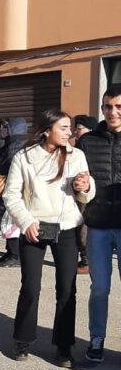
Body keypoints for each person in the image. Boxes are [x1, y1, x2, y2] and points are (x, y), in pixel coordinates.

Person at [3, 110, 94, 368]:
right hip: (35, 227)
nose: (69, 132)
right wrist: (26, 221)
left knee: (67, 289)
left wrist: (85, 187)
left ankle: (64, 346)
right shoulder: (24, 157)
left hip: (67, 228)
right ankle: (22, 340)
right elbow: (11, 195)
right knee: (30, 287)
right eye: (63, 128)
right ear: (46, 130)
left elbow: (87, 191)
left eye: (70, 128)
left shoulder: (77, 156)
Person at [77, 87, 121, 363]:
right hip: (98, 225)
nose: (113, 112)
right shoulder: (88, 141)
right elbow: (76, 175)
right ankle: (96, 338)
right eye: (108, 107)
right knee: (100, 287)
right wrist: (79, 184)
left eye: (118, 107)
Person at [0, 117, 28, 268]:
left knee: (10, 222)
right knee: (9, 221)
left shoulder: (16, 143)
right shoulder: (20, 141)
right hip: (15, 186)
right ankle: (10, 252)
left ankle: (15, 255)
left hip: (13, 187)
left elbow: (6, 162)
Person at [73, 115, 98, 274]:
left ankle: (86, 260)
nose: (75, 132)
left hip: (89, 190)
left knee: (83, 226)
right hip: (83, 190)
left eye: (79, 129)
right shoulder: (80, 144)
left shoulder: (86, 144)